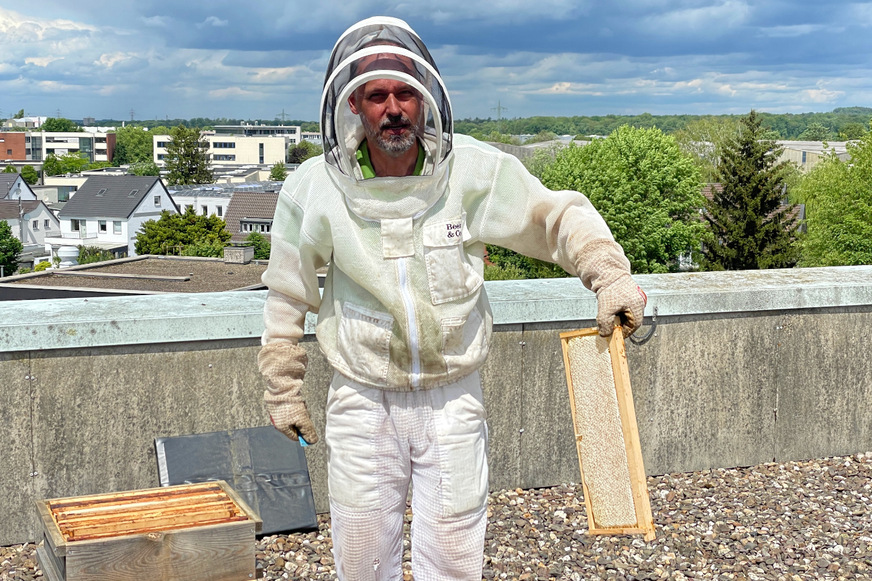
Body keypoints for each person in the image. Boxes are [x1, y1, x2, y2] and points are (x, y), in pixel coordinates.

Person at [258, 16, 647, 580]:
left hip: (451, 398)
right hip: (363, 400)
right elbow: (287, 293)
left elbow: (554, 216)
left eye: (405, 93)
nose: (393, 108)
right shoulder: (315, 188)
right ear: (353, 107)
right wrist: (283, 389)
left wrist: (608, 275)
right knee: (363, 557)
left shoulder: (473, 171)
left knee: (455, 556)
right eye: (377, 95)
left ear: (426, 98)